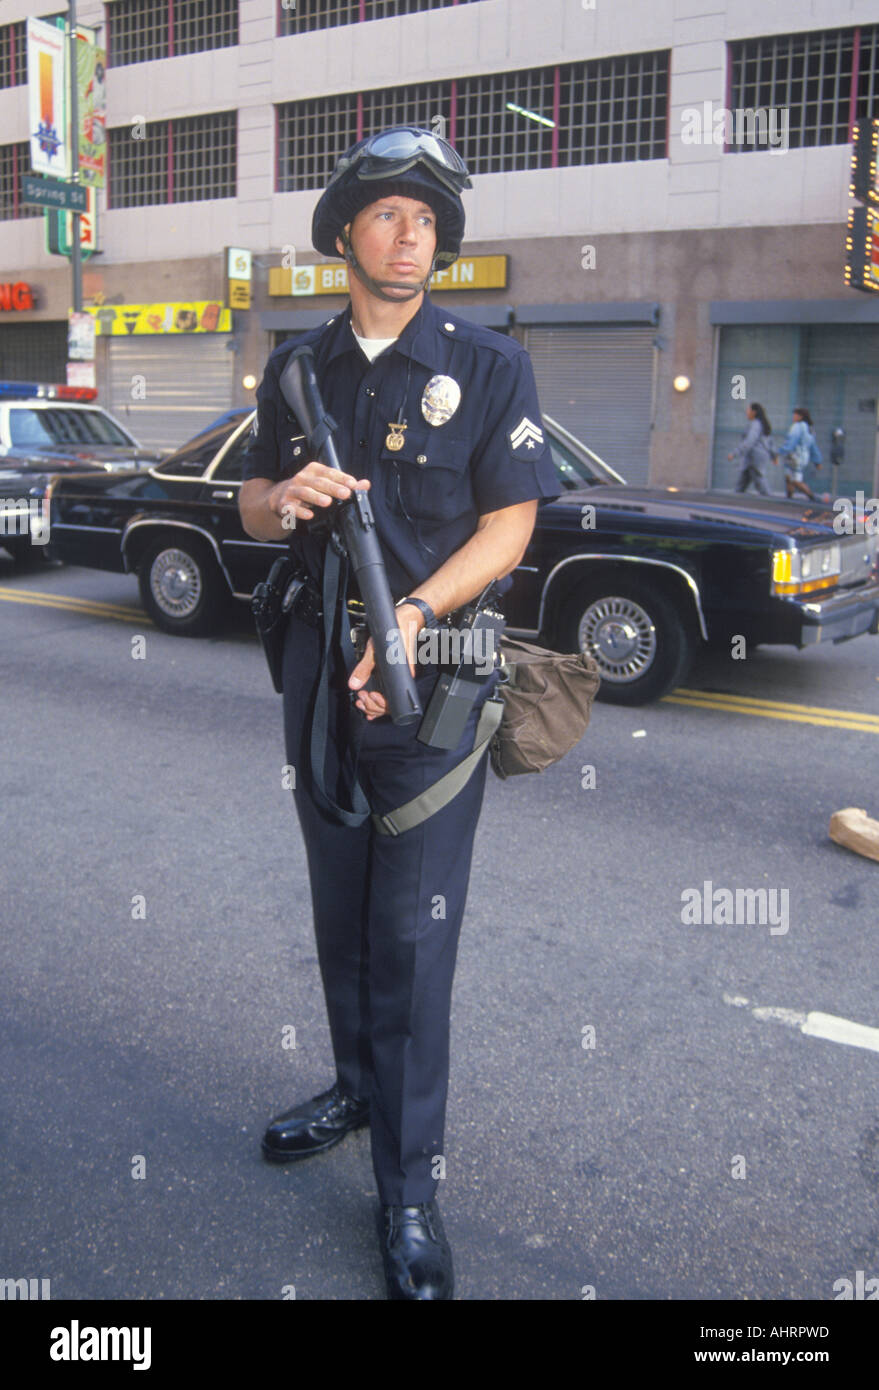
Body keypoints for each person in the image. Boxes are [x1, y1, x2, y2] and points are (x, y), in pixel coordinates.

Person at [238, 126, 559, 1300]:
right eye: (386, 210)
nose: (411, 227)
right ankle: (354, 1090)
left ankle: (410, 1188)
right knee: (342, 908)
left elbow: (512, 523)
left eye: (428, 213)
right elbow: (251, 508)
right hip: (320, 679)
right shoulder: (296, 367)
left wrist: (415, 609)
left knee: (413, 941)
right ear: (342, 237)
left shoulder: (486, 364)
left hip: (431, 684)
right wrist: (286, 493)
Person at [728, 402, 774, 496]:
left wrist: (735, 453)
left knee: (759, 482)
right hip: (755, 457)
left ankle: (771, 502)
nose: (746, 412)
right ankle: (735, 498)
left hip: (754, 457)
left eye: (748, 410)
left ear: (754, 412)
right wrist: (773, 454)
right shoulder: (761, 424)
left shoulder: (755, 425)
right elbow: (770, 442)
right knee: (742, 482)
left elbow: (749, 441)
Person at [775, 406, 820, 500]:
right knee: (788, 477)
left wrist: (780, 452)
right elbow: (813, 446)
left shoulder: (797, 427)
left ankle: (812, 496)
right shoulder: (810, 429)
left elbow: (791, 442)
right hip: (803, 457)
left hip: (795, 457)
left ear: (801, 416)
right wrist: (817, 461)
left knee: (795, 480)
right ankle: (789, 498)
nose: (793, 417)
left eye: (795, 415)